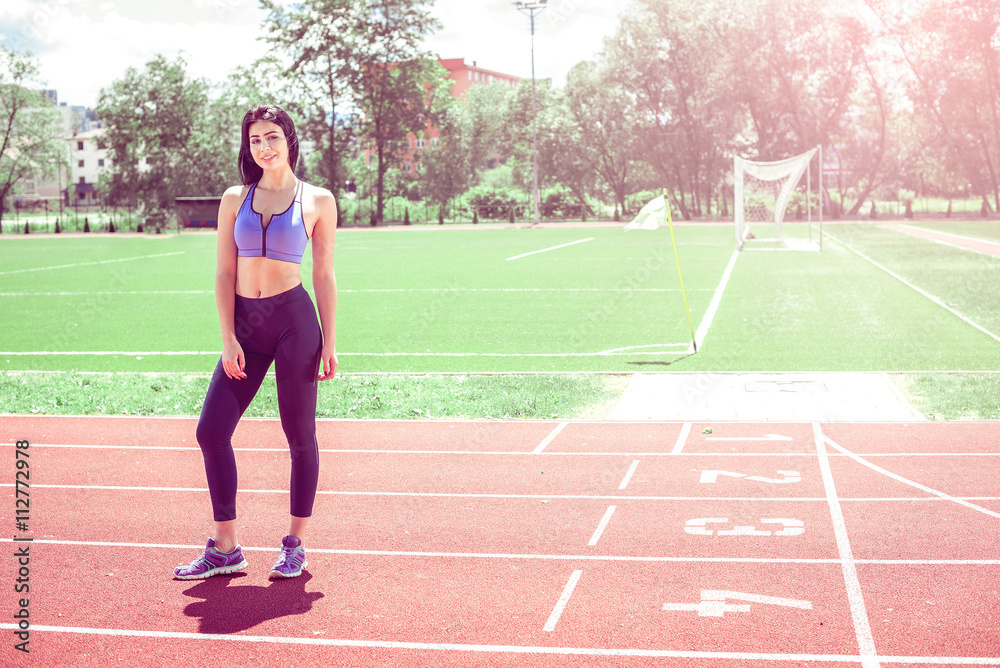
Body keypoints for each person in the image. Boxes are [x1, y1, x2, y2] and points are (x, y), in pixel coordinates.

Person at [174, 104, 338, 580]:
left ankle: (295, 544)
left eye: (272, 138)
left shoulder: (318, 200)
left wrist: (330, 342)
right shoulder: (234, 198)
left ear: (289, 140)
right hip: (246, 324)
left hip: (294, 323)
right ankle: (226, 547)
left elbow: (324, 275)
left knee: (299, 434)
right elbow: (225, 271)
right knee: (211, 430)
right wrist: (228, 337)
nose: (263, 148)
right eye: (255, 141)